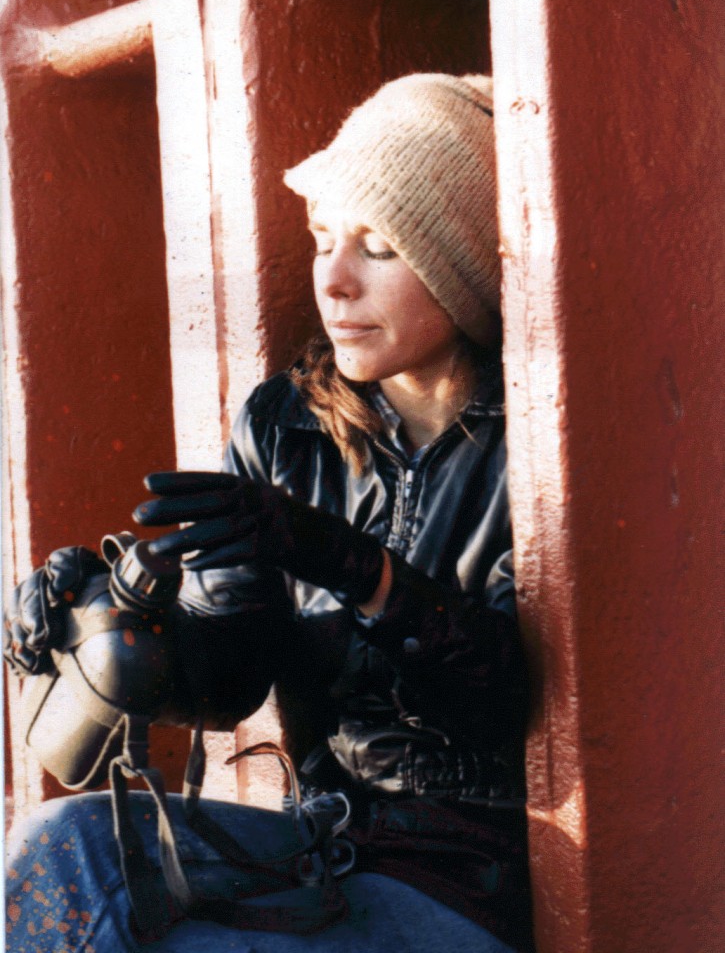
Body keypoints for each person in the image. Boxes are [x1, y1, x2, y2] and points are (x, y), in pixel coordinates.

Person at [4, 73, 533, 953]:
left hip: (468, 877)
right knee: (54, 854)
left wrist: (356, 568)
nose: (332, 280)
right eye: (323, 237)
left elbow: (499, 701)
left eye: (380, 247)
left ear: (462, 259)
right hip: (322, 840)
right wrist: (114, 627)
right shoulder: (286, 426)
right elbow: (233, 671)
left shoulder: (536, 444)